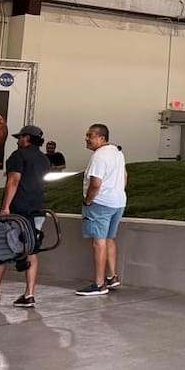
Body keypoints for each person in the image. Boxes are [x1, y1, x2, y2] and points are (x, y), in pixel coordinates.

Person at [0, 125, 50, 308]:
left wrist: (5, 207)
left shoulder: (18, 156)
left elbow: (13, 181)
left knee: (3, 249)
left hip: (19, 211)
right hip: (38, 210)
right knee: (31, 249)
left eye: (20, 137)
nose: (18, 140)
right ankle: (29, 294)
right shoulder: (44, 159)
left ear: (27, 138)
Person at [75, 124, 128, 296]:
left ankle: (99, 283)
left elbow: (95, 183)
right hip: (118, 202)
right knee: (110, 238)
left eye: (90, 135)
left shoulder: (99, 156)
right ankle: (112, 276)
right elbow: (125, 176)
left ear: (101, 138)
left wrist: (88, 201)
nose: (86, 138)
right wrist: (117, 191)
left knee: (99, 242)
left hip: (100, 204)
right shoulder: (117, 152)